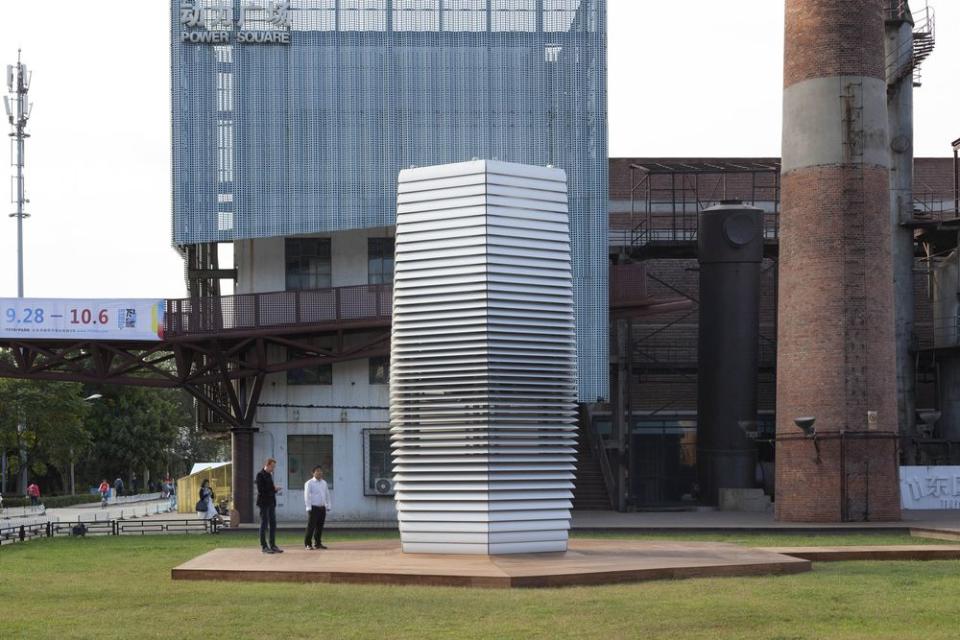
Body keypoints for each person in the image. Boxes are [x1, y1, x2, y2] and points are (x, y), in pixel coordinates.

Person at [256, 458, 283, 554]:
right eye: (272, 466)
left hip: (271, 503)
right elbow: (261, 490)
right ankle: (264, 546)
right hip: (264, 503)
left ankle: (273, 545)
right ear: (267, 465)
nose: (273, 469)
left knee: (273, 524)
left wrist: (273, 489)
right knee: (264, 524)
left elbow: (269, 488)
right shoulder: (260, 475)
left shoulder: (269, 475)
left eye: (274, 467)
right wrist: (274, 490)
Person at [303, 466, 332, 550]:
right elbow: (306, 496)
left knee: (320, 527)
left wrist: (328, 505)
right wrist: (308, 507)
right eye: (317, 471)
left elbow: (327, 494)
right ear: (313, 473)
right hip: (313, 508)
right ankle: (308, 544)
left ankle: (318, 543)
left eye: (321, 471)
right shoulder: (309, 483)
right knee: (311, 526)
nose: (319, 473)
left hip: (322, 508)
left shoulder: (324, 483)